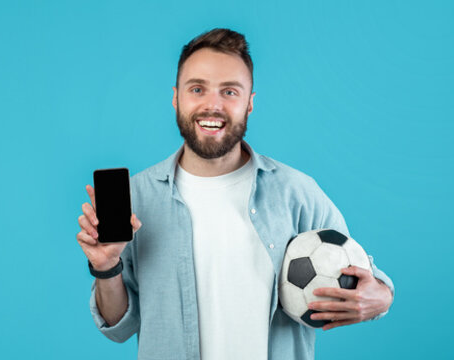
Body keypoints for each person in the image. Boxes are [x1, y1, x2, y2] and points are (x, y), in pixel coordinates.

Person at [75, 28, 394, 360]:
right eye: (197, 89)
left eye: (229, 91)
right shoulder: (137, 197)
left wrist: (381, 298)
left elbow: (364, 275)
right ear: (176, 97)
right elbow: (118, 326)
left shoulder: (296, 191)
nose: (212, 106)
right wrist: (107, 266)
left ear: (250, 103)